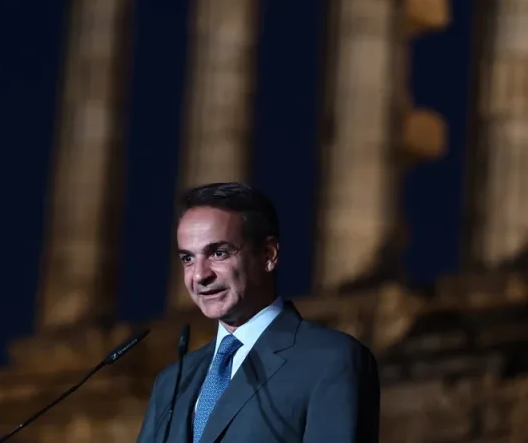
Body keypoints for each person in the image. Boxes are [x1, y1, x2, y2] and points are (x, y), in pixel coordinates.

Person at [135, 182, 381, 443]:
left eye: (218, 253)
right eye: (188, 258)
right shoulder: (172, 380)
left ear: (268, 255)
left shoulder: (331, 360)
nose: (199, 275)